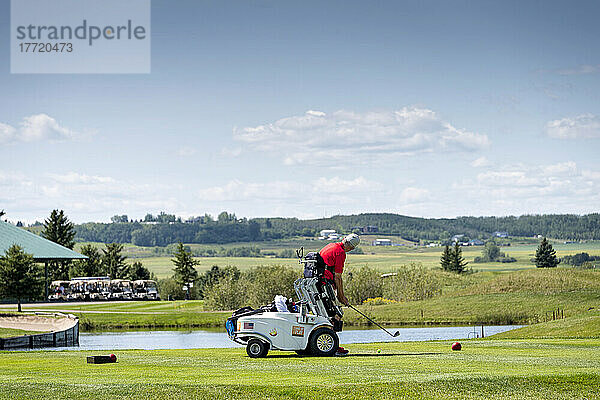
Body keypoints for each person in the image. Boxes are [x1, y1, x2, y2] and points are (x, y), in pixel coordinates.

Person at [318, 233, 360, 355]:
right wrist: (342, 297)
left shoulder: (331, 245)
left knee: (326, 315)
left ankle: (330, 344)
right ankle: (333, 346)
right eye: (351, 248)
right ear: (351, 247)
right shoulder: (341, 253)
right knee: (336, 314)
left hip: (319, 284)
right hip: (324, 284)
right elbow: (338, 277)